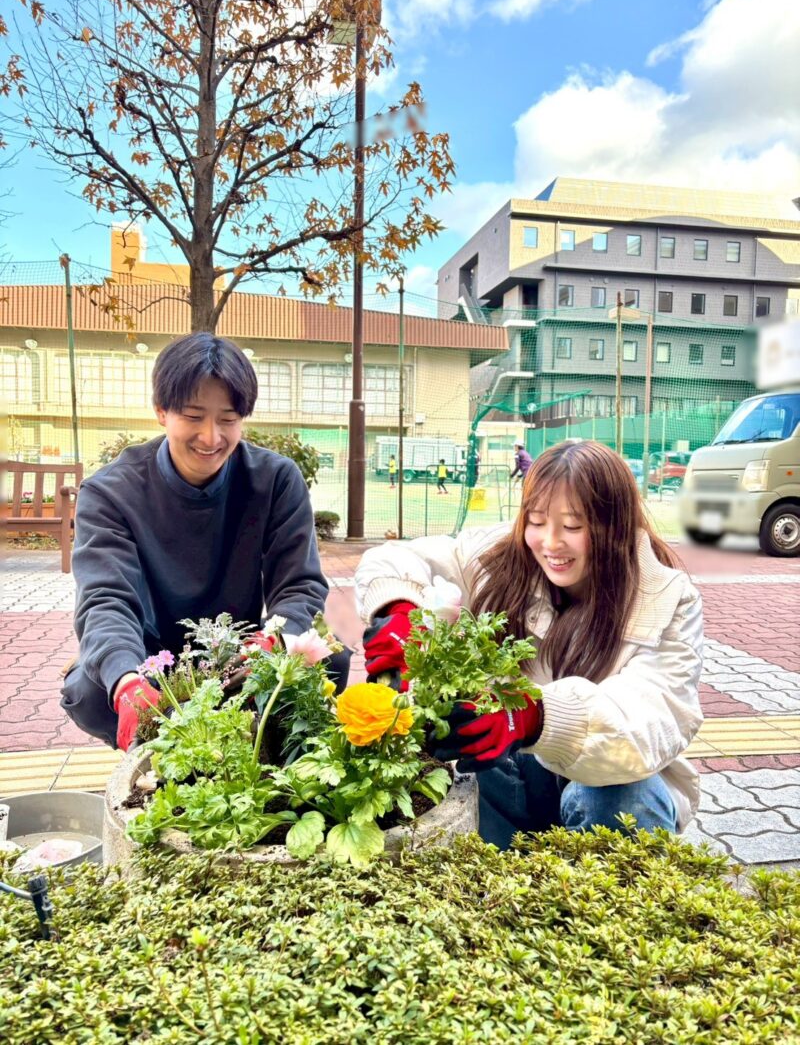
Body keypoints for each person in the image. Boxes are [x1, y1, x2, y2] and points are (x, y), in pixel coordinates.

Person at [355, 440, 703, 849]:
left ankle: (606, 903)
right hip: (516, 770)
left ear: (615, 525)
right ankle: (501, 894)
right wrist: (400, 609)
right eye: (537, 521)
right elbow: (393, 559)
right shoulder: (499, 556)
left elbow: (652, 715)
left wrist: (533, 715)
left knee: (624, 798)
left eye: (573, 526)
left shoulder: (666, 596)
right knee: (460, 768)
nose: (550, 543)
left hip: (611, 776)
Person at [62, 332, 349, 751]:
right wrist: (127, 682)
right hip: (153, 662)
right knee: (89, 693)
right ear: (161, 411)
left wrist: (271, 644)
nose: (211, 437)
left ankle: (264, 753)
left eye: (228, 419)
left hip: (245, 658)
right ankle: (156, 757)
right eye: (193, 416)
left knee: (329, 663)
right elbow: (106, 598)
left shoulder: (275, 479)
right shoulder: (110, 492)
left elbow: (300, 585)